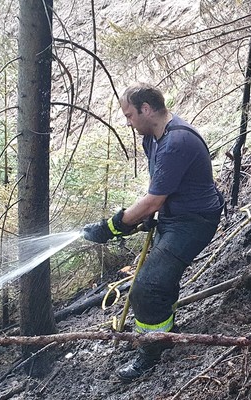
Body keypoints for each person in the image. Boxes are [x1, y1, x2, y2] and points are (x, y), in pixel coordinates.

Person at [82, 83, 224, 382]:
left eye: (130, 115)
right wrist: (147, 216)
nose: (128, 122)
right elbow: (160, 189)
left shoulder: (176, 142)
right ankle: (166, 333)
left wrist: (113, 226)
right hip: (174, 218)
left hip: (194, 222)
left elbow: (154, 199)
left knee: (146, 288)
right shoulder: (153, 140)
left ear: (146, 109)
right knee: (162, 280)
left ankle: (152, 350)